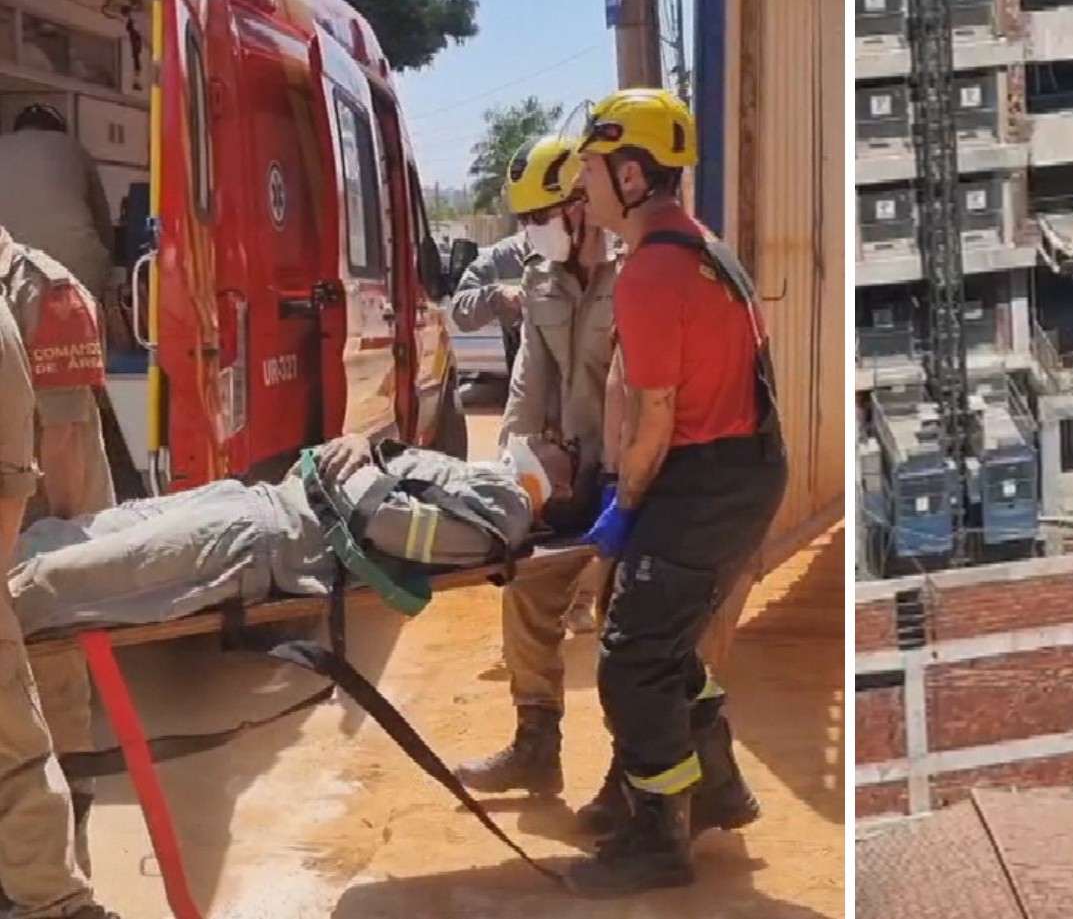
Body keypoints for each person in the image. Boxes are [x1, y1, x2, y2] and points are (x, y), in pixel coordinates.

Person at [565, 88, 788, 896]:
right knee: (665, 640)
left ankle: (662, 836)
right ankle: (719, 788)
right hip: (737, 469)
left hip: (709, 476)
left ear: (630, 173)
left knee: (630, 660)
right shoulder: (703, 249)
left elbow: (654, 419)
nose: (581, 185)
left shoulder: (653, 273)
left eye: (591, 168)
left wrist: (619, 519)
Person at [6, 432, 584, 639]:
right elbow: (388, 486)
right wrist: (364, 442)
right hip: (259, 505)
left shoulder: (503, 511)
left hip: (262, 540)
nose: (555, 434)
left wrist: (360, 464)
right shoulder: (485, 482)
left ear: (560, 488)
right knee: (68, 535)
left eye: (568, 446)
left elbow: (391, 525)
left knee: (54, 583)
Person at [452, 135, 619, 796]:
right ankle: (535, 745)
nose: (531, 232)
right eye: (523, 221)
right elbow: (526, 391)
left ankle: (642, 773)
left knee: (629, 626)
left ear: (580, 204)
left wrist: (628, 494)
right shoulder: (540, 280)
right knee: (528, 590)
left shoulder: (635, 275)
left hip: (634, 485)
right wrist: (507, 494)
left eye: (540, 217)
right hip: (573, 485)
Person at [0, 297, 121, 919]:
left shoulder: (45, 294)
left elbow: (64, 457)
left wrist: (65, 578)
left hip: (37, 562)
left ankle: (62, 896)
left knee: (49, 741)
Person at [0, 105, 116, 310]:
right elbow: (102, 222)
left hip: (10, 267)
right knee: (80, 330)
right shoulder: (74, 149)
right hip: (76, 266)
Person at [447, 230, 529, 375]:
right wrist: (499, 297)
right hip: (530, 379)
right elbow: (461, 311)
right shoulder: (505, 256)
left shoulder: (580, 254)